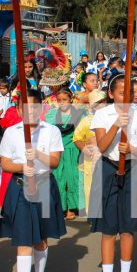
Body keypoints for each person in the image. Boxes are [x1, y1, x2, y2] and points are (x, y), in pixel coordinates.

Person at [0, 89, 67, 272]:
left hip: (45, 185)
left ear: (41, 108)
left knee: (42, 237)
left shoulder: (52, 131)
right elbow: (5, 163)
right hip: (20, 188)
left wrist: (36, 154)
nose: (30, 112)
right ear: (18, 110)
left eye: (35, 107)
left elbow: (55, 162)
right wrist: (21, 167)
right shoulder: (11, 132)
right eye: (25, 108)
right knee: (24, 240)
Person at [89, 75, 137, 272]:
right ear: (111, 94)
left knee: (127, 229)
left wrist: (133, 149)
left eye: (129, 93)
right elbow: (102, 146)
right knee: (109, 230)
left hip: (132, 171)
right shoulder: (101, 114)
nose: (125, 97)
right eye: (120, 93)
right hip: (108, 170)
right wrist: (117, 125)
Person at [45, 88, 82, 220]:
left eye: (65, 99)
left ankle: (72, 208)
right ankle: (60, 207)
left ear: (70, 99)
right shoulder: (52, 114)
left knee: (72, 178)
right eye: (59, 100)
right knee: (59, 178)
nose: (62, 102)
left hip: (72, 149)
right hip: (57, 150)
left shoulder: (78, 113)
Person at [73, 89, 107, 215]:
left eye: (104, 102)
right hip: (92, 157)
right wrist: (84, 148)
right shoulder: (87, 120)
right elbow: (76, 138)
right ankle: (92, 213)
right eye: (98, 103)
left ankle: (107, 212)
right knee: (92, 186)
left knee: (107, 184)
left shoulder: (112, 118)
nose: (102, 106)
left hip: (108, 157)